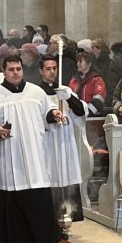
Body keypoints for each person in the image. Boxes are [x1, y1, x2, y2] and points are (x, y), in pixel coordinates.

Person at [0, 54, 62, 243]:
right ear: (3, 72)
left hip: (34, 154)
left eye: (18, 69)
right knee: (11, 196)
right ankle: (15, 240)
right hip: (8, 155)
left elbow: (48, 111)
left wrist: (54, 115)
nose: (16, 73)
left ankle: (42, 239)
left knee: (38, 195)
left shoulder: (36, 92)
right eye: (11, 70)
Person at [38, 54, 87, 225]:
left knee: (67, 177)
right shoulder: (37, 92)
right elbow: (37, 118)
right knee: (50, 178)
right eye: (48, 69)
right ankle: (50, 220)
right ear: (41, 71)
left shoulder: (65, 91)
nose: (52, 72)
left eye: (54, 68)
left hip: (65, 143)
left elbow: (81, 113)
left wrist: (70, 97)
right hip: (48, 144)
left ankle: (67, 218)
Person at [69, 50, 106, 115]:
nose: (78, 64)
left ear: (89, 64)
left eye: (80, 61)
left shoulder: (97, 80)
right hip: (76, 117)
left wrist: (87, 112)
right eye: (77, 61)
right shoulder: (73, 80)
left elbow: (99, 100)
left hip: (92, 117)